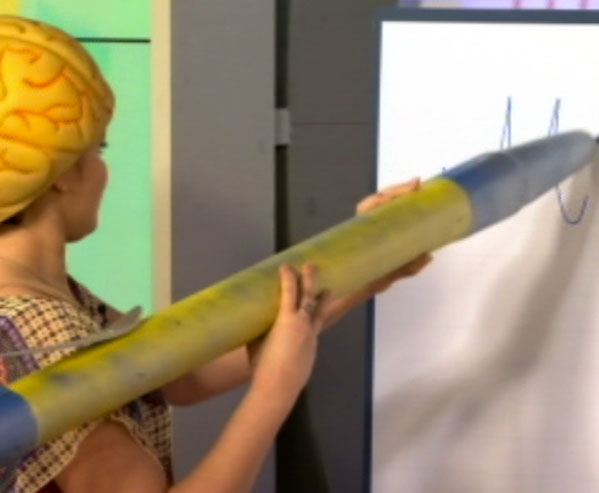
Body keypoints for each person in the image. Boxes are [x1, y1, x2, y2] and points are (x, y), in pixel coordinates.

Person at [0, 15, 430, 493]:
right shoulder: (41, 327)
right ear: (61, 170)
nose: (104, 171)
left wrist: (367, 267)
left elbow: (180, 375)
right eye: (98, 149)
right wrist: (273, 391)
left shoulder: (40, 301)